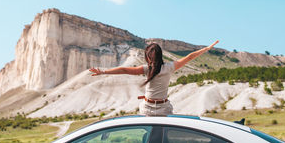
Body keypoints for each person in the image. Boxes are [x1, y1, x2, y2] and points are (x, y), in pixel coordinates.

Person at [89, 40, 219, 116]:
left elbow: (124, 70)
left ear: (148, 57)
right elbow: (190, 57)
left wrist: (103, 71)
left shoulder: (147, 69)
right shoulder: (169, 67)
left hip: (148, 108)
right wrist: (206, 49)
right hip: (163, 108)